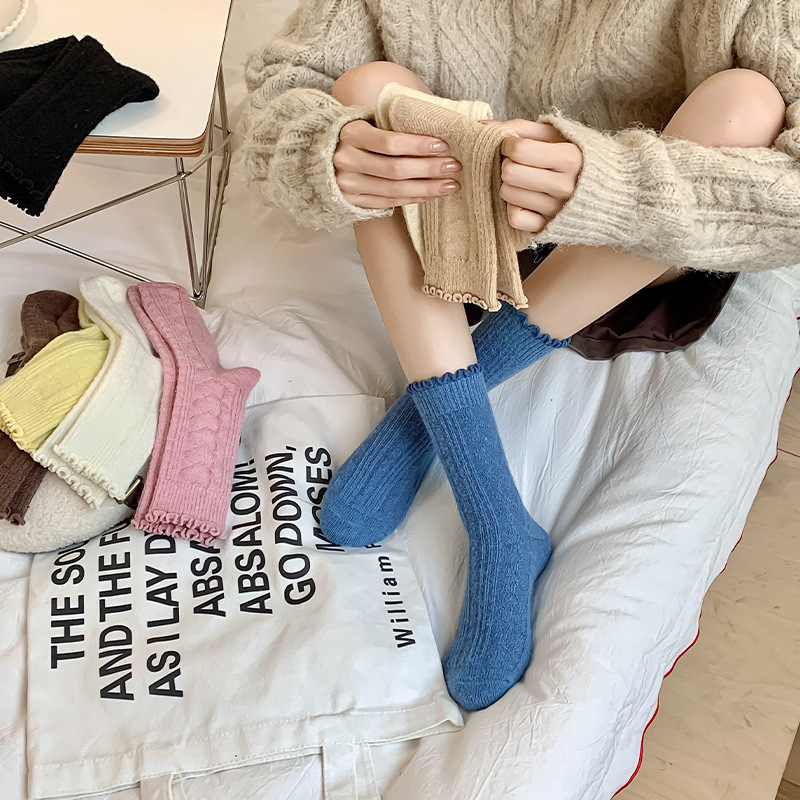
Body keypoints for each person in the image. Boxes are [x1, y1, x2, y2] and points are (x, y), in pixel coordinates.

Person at [241, 0, 798, 710]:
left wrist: (612, 186)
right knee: (365, 89)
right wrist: (326, 149)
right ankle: (498, 516)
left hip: (634, 244)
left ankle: (438, 434)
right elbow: (282, 89)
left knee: (746, 101)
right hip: (450, 239)